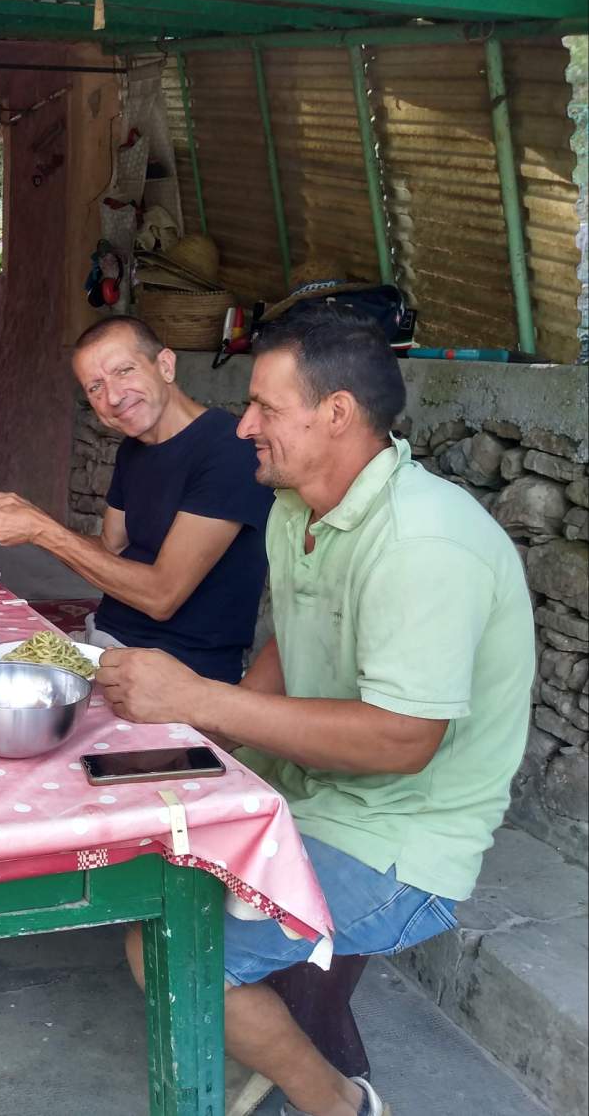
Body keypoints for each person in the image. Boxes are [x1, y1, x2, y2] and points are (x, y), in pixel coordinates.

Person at [97, 307, 535, 1116]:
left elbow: (402, 739)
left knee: (169, 947)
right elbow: (292, 641)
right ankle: (284, 1035)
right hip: (307, 790)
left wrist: (197, 697)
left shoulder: (423, 544)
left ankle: (338, 1100)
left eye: (264, 407)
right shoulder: (298, 506)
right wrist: (202, 733)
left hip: (399, 842)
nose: (244, 427)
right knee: (135, 835)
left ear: (336, 413)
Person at [0, 315, 272, 682]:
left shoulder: (229, 450)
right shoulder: (134, 448)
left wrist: (41, 530)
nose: (112, 397)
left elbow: (162, 596)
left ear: (165, 365)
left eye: (124, 371)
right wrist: (32, 520)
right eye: (95, 387)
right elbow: (109, 549)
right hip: (103, 641)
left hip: (177, 670)